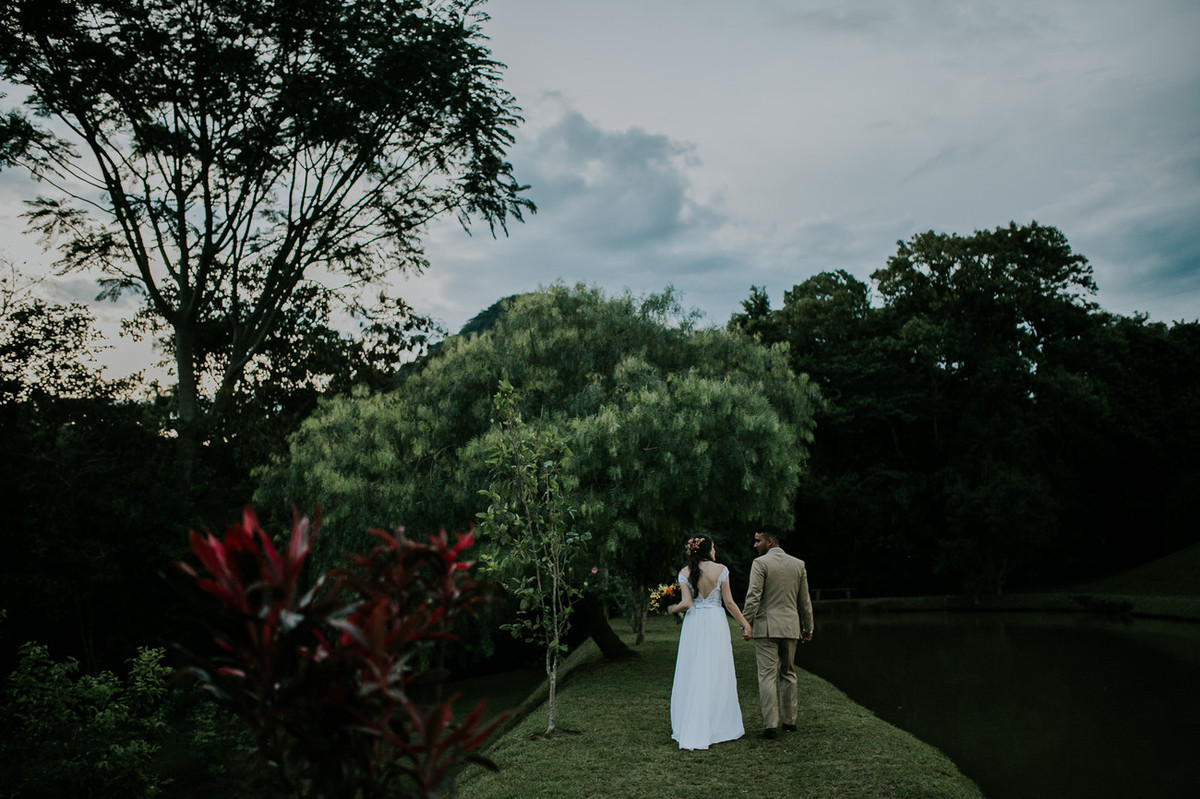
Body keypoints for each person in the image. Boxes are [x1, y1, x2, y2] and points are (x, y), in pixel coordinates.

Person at [666, 534, 752, 750]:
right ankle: (717, 723)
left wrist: (672, 608)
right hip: (715, 622)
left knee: (693, 668)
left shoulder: (684, 572)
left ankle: (693, 721)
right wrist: (744, 624)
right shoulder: (721, 570)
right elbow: (730, 603)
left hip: (694, 624)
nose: (715, 551)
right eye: (713, 547)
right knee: (716, 670)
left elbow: (686, 604)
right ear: (707, 550)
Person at [741, 525, 814, 739]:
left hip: (766, 627)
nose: (755, 545)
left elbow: (754, 596)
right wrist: (808, 626)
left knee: (766, 675)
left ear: (770, 541)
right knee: (788, 673)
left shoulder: (760, 563)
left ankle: (770, 725)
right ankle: (790, 722)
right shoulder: (798, 564)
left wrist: (746, 623)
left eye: (758, 541)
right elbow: (804, 600)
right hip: (791, 627)